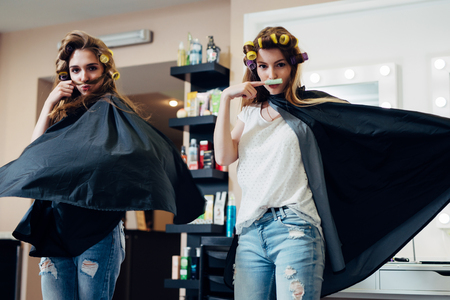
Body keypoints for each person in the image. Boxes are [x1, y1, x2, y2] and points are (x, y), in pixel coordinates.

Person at [215, 26, 450, 300]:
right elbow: (223, 157)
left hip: (295, 228)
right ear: (254, 69)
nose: (271, 75)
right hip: (251, 230)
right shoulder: (250, 114)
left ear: (292, 66)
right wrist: (225, 100)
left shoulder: (313, 109)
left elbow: (369, 130)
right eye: (263, 67)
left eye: (279, 65)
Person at [0, 30, 204, 300]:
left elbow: (133, 158)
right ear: (66, 74)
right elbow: (35, 157)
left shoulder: (115, 112)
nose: (83, 77)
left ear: (105, 70)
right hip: (55, 227)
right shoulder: (63, 113)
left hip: (98, 231)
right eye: (75, 70)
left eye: (91, 68)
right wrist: (50, 102)